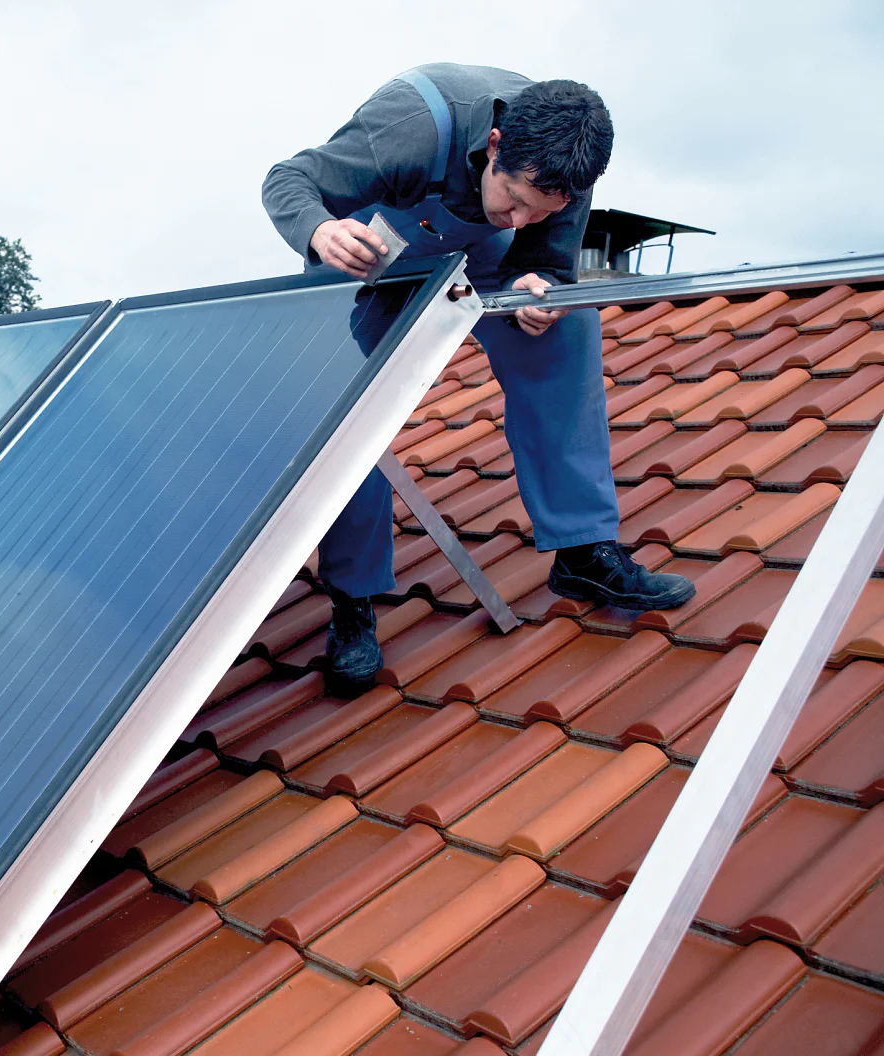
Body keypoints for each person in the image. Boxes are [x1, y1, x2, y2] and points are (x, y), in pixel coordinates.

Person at [262, 63, 695, 693]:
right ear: (494, 148)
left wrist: (539, 285)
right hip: (365, 252)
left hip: (467, 254)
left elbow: (542, 258)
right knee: (345, 404)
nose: (521, 217)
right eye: (514, 198)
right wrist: (321, 230)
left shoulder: (565, 168)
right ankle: (352, 602)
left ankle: (582, 550)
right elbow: (289, 179)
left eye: (539, 209)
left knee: (569, 327)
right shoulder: (408, 131)